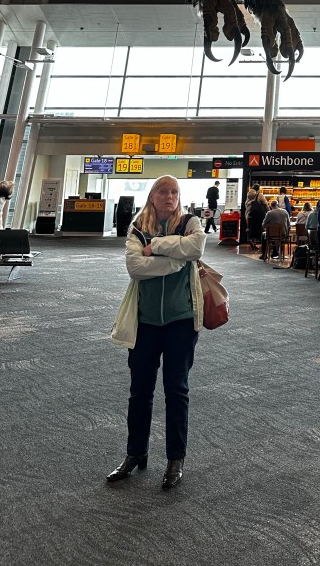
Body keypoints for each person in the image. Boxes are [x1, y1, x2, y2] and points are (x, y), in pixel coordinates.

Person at [108, 175, 206, 489]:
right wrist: (174, 261)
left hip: (181, 320)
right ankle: (135, 453)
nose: (170, 196)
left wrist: (158, 247)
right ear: (152, 195)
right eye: (163, 191)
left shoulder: (190, 223)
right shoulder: (138, 227)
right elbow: (135, 268)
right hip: (145, 322)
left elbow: (196, 247)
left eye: (174, 192)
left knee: (176, 390)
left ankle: (176, 458)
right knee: (140, 391)